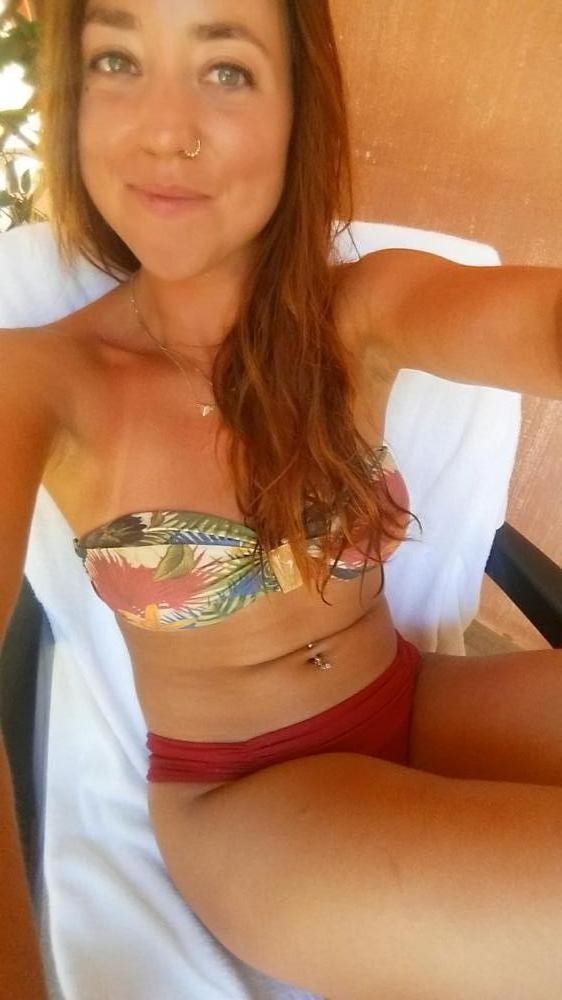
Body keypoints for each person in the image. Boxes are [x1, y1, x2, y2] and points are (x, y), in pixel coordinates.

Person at [2, 0, 562, 996]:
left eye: (225, 69)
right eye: (117, 62)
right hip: (247, 806)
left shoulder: (361, 312)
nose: (164, 128)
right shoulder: (40, 381)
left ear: (299, 109)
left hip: (416, 699)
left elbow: (541, 322)